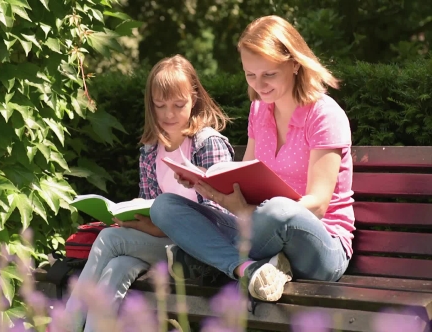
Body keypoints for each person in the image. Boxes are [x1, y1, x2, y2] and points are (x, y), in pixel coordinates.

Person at [150, 15, 355, 303]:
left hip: (321, 244)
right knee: (165, 206)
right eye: (250, 75)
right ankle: (249, 269)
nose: (259, 85)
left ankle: (206, 258)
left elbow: (319, 205)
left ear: (294, 63)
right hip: (259, 232)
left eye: (268, 74)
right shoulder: (259, 111)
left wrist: (250, 213)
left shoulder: (324, 115)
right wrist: (208, 184)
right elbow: (244, 176)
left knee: (279, 211)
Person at [63, 54, 235, 332]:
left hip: (203, 254)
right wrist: (135, 221)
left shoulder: (207, 145)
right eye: (160, 105)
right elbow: (149, 205)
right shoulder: (150, 150)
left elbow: (223, 219)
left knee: (109, 240)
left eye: (178, 105)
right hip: (165, 248)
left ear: (195, 100)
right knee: (117, 267)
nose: (168, 114)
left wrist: (156, 229)